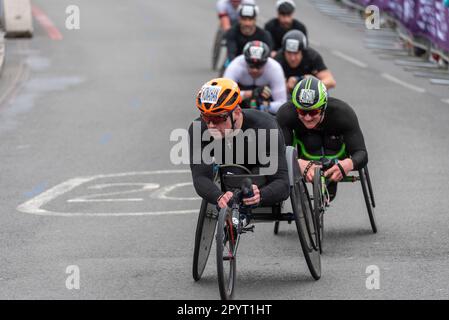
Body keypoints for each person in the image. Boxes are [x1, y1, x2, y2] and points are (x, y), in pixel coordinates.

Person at [189, 78, 289, 209]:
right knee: (231, 174)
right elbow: (200, 177)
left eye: (218, 118)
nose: (211, 125)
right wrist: (219, 197)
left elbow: (282, 183)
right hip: (229, 174)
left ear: (236, 112)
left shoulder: (266, 126)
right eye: (206, 117)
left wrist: (261, 195)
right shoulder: (198, 128)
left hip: (260, 174)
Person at [276, 77, 367, 201]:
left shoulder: (343, 113)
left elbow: (361, 153)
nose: (307, 118)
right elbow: (279, 153)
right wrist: (297, 163)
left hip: (335, 154)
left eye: (313, 112)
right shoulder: (286, 113)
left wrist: (348, 164)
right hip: (306, 152)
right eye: (302, 112)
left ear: (324, 107)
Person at [224, 41, 287, 114]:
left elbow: (282, 104)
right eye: (251, 65)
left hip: (264, 106)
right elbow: (225, 97)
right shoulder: (235, 66)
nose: (255, 70)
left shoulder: (275, 69)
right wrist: (250, 94)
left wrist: (265, 105)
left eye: (259, 66)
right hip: (240, 105)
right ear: (245, 61)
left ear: (266, 62)